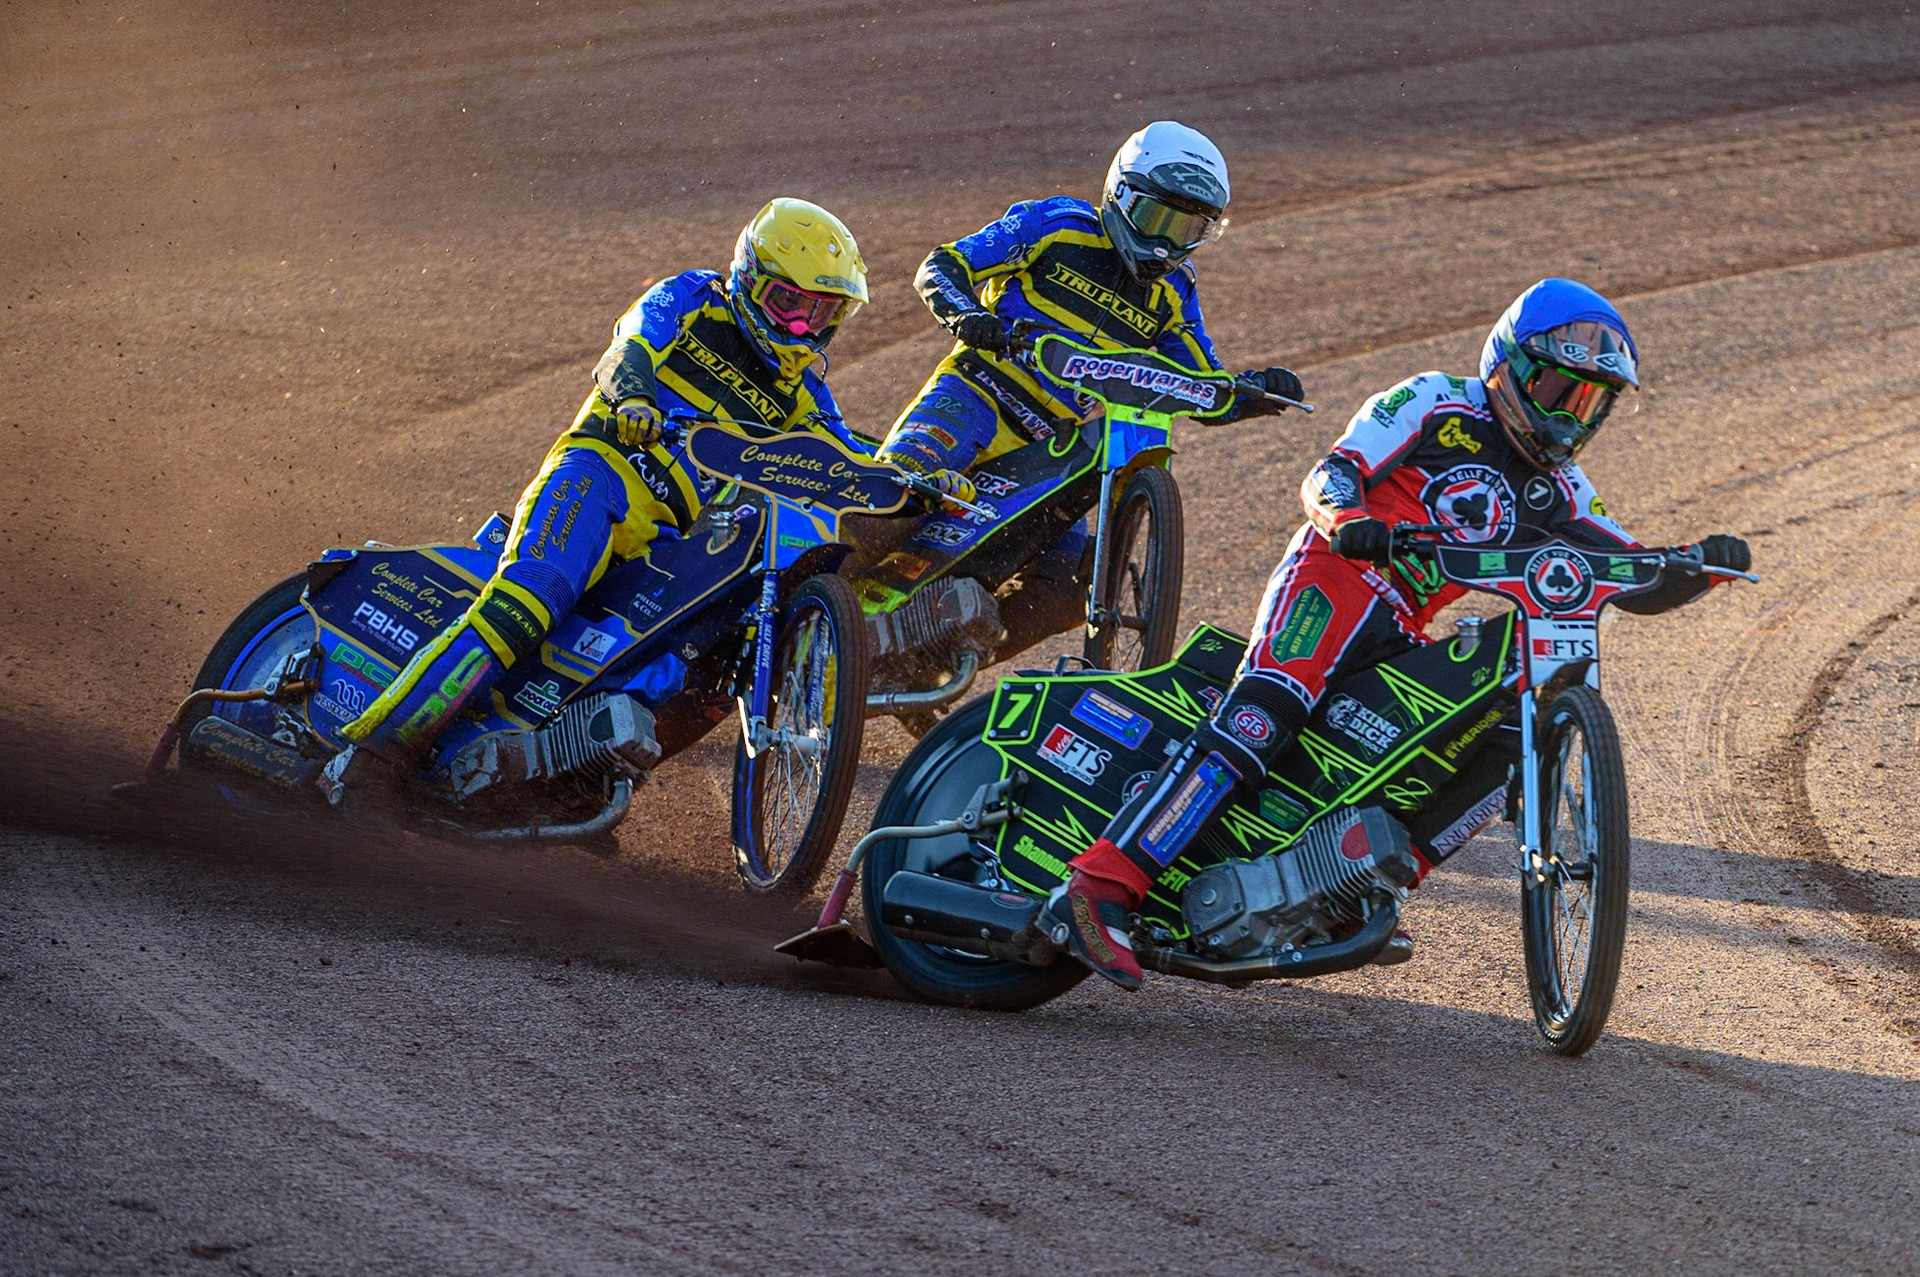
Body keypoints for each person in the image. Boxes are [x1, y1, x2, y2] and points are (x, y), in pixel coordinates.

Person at [1050, 277, 1754, 989]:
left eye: (1589, 401)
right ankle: (1102, 882)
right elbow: (1332, 472)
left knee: (1507, 739)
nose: (1569, 416)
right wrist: (1349, 520)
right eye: (1555, 390)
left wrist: (1697, 567)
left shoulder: (1562, 488)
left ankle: (1365, 883)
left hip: (1402, 625)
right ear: (1507, 366)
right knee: (1264, 715)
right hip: (1332, 576)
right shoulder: (1435, 400)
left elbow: (1624, 568)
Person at [336, 198, 871, 775]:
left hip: (668, 539)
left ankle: (565, 776)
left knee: (687, 663)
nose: (800, 327)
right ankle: (370, 757)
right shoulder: (692, 297)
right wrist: (635, 397)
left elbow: (849, 460)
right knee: (530, 600)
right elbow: (629, 346)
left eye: (821, 314)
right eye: (788, 303)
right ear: (749, 276)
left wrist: (918, 481)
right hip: (601, 475)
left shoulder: (808, 398)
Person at [863, 121, 1303, 639]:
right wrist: (969, 318)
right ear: (1120, 194)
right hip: (974, 396)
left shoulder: (1175, 292)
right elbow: (942, 264)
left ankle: (933, 655)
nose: (1164, 246)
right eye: (1155, 218)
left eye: (1185, 231)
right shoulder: (1056, 224)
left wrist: (1252, 392)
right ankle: (800, 603)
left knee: (1071, 589)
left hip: (1053, 450)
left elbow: (1198, 380)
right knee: (887, 500)